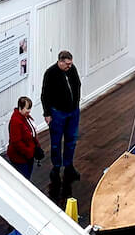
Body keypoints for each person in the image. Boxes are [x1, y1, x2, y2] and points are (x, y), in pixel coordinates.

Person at [41, 50, 81, 183]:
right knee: (56, 143)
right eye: (67, 64)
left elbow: (77, 85)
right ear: (60, 61)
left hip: (73, 111)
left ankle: (68, 166)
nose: (69, 67)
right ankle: (56, 167)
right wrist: (47, 113)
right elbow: (45, 95)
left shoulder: (72, 70)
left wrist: (76, 103)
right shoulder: (50, 73)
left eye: (71, 64)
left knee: (72, 140)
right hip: (58, 113)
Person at [5, 96, 43, 180]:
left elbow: (32, 133)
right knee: (23, 180)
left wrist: (37, 147)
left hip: (28, 156)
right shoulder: (15, 121)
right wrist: (29, 152)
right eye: (27, 108)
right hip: (20, 159)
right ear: (20, 108)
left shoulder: (26, 117)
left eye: (30, 108)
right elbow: (16, 142)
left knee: (27, 178)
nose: (29, 111)